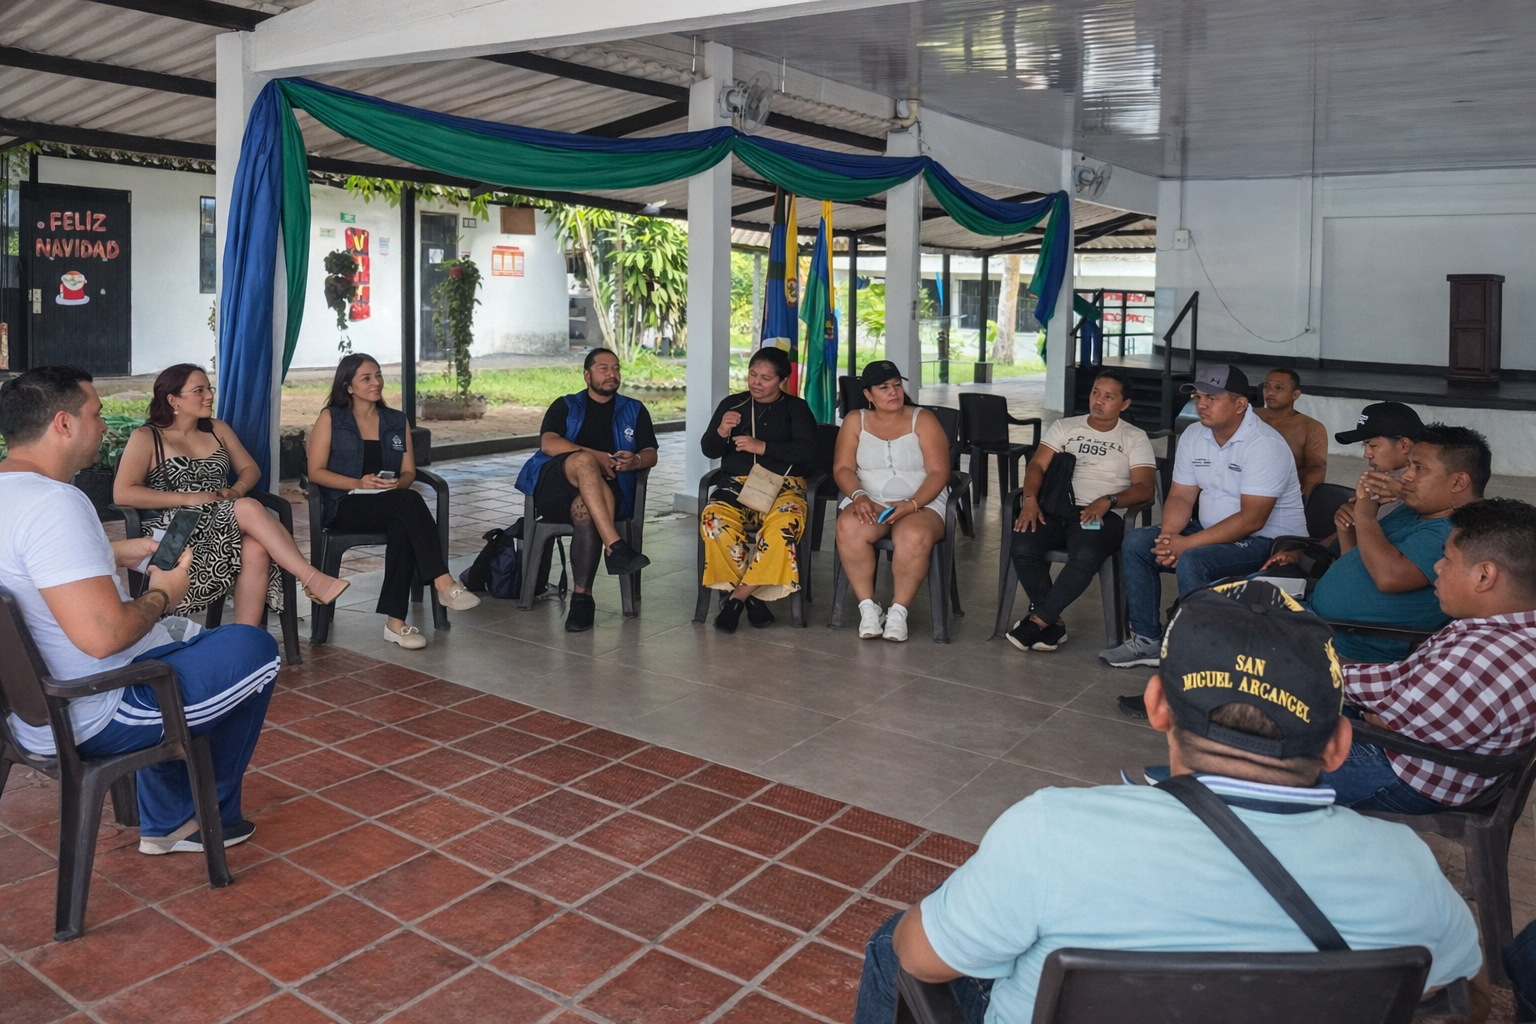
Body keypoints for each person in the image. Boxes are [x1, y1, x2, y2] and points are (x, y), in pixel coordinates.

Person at [853, 580, 1486, 1024]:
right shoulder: (1408, 869)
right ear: (1339, 744)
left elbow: (920, 961)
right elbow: (1465, 996)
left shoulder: (1053, 831)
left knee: (895, 941)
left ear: (1156, 706)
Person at [0, 366, 281, 854]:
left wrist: (110, 555)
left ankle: (170, 814)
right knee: (254, 649)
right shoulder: (55, 503)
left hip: (28, 713)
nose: (104, 426)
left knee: (194, 640)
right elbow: (106, 636)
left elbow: (26, 573)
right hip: (98, 708)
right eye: (96, 413)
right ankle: (186, 819)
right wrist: (164, 592)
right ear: (63, 424)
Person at [1322, 497, 1536, 813]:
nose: (1437, 566)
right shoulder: (1507, 627)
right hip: (1420, 740)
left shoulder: (1480, 659)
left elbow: (1386, 721)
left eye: (1447, 558)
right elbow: (1401, 683)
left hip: (1406, 773)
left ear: (1483, 576)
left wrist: (1315, 674)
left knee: (1250, 757)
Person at [1100, 364, 1306, 668]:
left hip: (1268, 541)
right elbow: (1182, 496)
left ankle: (1199, 656)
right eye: (1198, 396)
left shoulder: (1265, 445)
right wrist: (1170, 538)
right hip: (1212, 530)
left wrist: (1188, 545)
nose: (1201, 404)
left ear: (1239, 405)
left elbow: (1252, 519)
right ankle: (1147, 641)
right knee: (1138, 544)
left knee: (1196, 560)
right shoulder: (1195, 434)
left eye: (1212, 397)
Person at [113, 364, 348, 625]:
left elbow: (250, 469)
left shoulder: (217, 429)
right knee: (246, 507)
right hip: (175, 533)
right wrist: (188, 498)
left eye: (209, 388)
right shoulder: (147, 437)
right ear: (172, 399)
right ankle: (311, 578)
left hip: (222, 520)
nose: (209, 396)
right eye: (198, 390)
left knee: (255, 547)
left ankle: (244, 639)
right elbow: (124, 493)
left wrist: (236, 490)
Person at [1264, 422, 1488, 662]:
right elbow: (1361, 562)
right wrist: (1348, 530)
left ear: (1458, 482)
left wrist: (1364, 514)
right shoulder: (1415, 511)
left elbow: (1389, 576)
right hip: (1315, 619)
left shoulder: (1452, 533)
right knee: (1228, 602)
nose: (1408, 475)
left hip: (1346, 647)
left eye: (1419, 468)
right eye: (1410, 465)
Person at [305, 354, 480, 650]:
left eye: (378, 376)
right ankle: (443, 583)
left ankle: (395, 625)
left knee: (404, 521)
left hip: (389, 502)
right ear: (348, 386)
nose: (376, 383)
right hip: (345, 505)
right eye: (367, 378)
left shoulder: (396, 420)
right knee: (408, 505)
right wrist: (358, 483)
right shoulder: (331, 417)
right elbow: (315, 472)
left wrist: (396, 485)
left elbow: (409, 471)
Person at [1006, 369, 1156, 652]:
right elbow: (1037, 465)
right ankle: (1053, 621)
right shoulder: (1065, 427)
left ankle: (1038, 621)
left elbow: (1146, 488)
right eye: (1095, 393)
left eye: (1109, 397)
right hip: (1056, 508)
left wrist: (1109, 500)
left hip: (1102, 514)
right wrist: (1029, 500)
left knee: (1085, 555)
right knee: (1023, 543)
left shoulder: (1134, 437)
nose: (1098, 401)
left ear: (1124, 404)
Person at [515, 347, 656, 633]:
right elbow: (549, 444)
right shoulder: (566, 405)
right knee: (582, 460)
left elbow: (650, 453)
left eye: (616, 368)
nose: (612, 374)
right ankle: (615, 546)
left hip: (608, 493)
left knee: (584, 509)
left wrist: (637, 461)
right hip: (557, 487)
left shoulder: (635, 410)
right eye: (603, 368)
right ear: (586, 375)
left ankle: (583, 598)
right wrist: (597, 457)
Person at [699, 347, 818, 633]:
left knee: (783, 528)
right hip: (735, 490)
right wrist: (721, 432)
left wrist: (762, 447)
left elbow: (809, 451)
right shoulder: (733, 404)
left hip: (783, 489)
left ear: (781, 381)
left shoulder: (796, 408)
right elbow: (708, 449)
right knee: (713, 520)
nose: (756, 382)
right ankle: (753, 600)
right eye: (753, 374)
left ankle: (737, 597)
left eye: (766, 378)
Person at [834, 361, 951, 642]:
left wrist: (912, 504)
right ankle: (868, 608)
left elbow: (939, 472)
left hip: (920, 501)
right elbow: (842, 469)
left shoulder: (922, 418)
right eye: (884, 387)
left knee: (913, 536)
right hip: (868, 499)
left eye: (897, 385)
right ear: (868, 395)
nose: (893, 392)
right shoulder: (855, 420)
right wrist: (859, 496)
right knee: (849, 527)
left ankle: (899, 611)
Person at [1332, 401, 1424, 522]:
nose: (1366, 454)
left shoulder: (1427, 490)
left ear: (1404, 445)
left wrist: (1402, 494)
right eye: (1364, 446)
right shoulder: (1379, 481)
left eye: (1373, 445)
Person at [1254, 368, 1328, 497]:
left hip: (1285, 491)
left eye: (1279, 388)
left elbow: (1317, 467)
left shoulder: (1312, 427)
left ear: (1295, 394)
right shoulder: (1248, 416)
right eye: (1267, 386)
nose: (1270, 392)